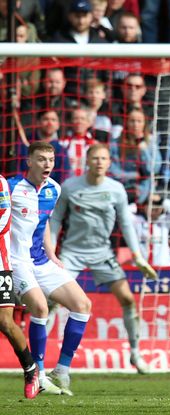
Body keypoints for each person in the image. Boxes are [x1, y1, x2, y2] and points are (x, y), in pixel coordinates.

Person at [49, 144, 158, 374]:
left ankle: (135, 354)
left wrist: (137, 256)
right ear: (87, 161)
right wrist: (51, 254)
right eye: (95, 158)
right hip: (72, 252)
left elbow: (126, 223)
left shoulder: (117, 189)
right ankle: (38, 360)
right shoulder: (69, 187)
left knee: (128, 299)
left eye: (104, 158)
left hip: (103, 253)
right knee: (51, 302)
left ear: (109, 162)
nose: (99, 162)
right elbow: (56, 219)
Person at [8, 142, 92, 396]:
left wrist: (52, 253)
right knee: (40, 307)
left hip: (41, 260)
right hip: (16, 260)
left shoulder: (53, 190)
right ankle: (40, 375)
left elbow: (43, 225)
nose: (47, 165)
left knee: (82, 305)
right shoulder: (11, 188)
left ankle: (62, 370)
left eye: (51, 160)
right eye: (42, 159)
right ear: (29, 162)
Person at [0, 173, 40, 399]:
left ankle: (30, 368)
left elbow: (3, 219)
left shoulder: (1, 183)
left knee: (4, 321)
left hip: (0, 260)